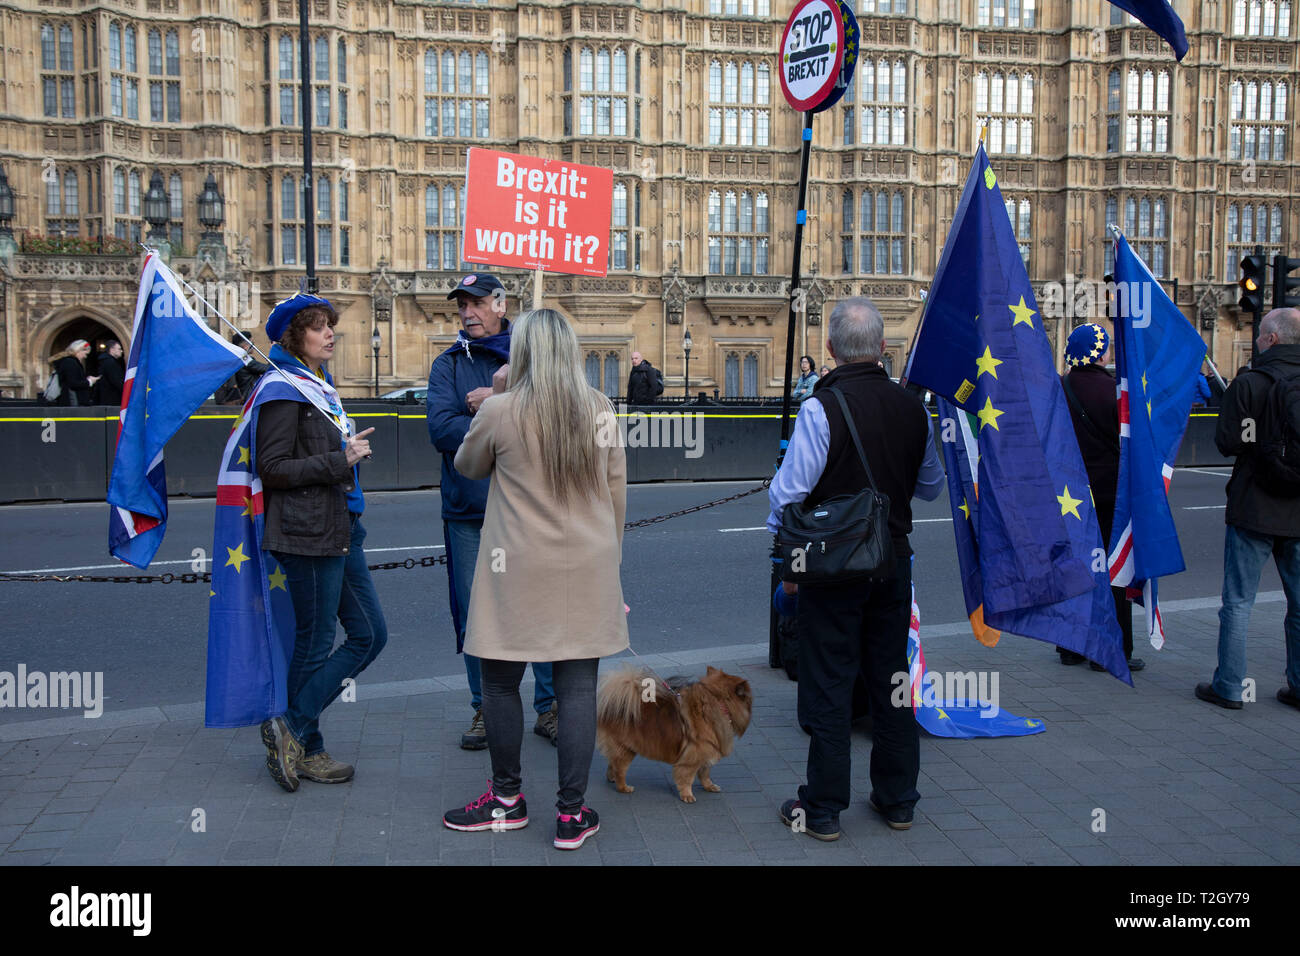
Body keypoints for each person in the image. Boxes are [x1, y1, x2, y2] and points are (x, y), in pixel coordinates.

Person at [442, 308, 627, 850]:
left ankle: (506, 800)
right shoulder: (598, 407)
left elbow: (467, 466)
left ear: (520, 355)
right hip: (588, 566)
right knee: (576, 692)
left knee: (500, 684)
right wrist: (610, 562)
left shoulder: (501, 409)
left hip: (515, 567)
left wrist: (499, 389)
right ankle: (572, 814)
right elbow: (617, 493)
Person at [767, 297, 944, 841]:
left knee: (829, 683)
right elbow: (932, 486)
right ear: (883, 349)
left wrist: (786, 556)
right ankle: (897, 801)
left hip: (834, 567)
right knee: (891, 679)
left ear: (830, 351)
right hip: (892, 562)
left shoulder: (823, 408)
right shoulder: (914, 408)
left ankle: (822, 809)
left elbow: (786, 495)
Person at [255, 294, 389, 790]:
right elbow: (271, 469)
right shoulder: (283, 389)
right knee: (314, 645)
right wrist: (341, 461)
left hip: (341, 527)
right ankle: (306, 747)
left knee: (370, 635)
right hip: (307, 533)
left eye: (330, 325)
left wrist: (345, 455)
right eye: (317, 327)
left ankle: (290, 727)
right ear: (295, 337)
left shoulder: (318, 386)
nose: (329, 332)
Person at [426, 272, 556, 750]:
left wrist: (495, 403)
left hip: (527, 509)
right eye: (461, 304)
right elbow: (441, 430)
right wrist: (499, 411)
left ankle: (550, 708)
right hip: (469, 513)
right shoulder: (447, 365)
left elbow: (551, 421)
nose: (467, 312)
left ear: (501, 304)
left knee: (538, 609)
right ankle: (484, 707)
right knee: (474, 615)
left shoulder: (534, 359)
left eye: (477, 303)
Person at [1197, 307, 1300, 712]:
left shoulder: (1250, 384)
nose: (1256, 340)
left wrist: (1255, 437)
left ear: (1272, 339)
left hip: (1254, 506)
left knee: (1239, 604)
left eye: (1260, 335)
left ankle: (1230, 686)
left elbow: (1231, 442)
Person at [1056, 323, 1145, 672]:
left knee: (1074, 565)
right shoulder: (1116, 393)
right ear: (1101, 353)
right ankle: (1113, 650)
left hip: (1069, 493)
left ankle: (1069, 646)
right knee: (1114, 570)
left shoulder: (1058, 389)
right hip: (1110, 493)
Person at [214, 340, 269, 405]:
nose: (254, 347)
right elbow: (265, 368)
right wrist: (274, 351)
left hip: (240, 398)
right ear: (246, 347)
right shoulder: (245, 360)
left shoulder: (238, 360)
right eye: (252, 344)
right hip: (247, 398)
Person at [48, 339, 98, 406]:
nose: (85, 357)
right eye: (86, 354)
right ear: (79, 350)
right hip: (73, 401)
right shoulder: (70, 363)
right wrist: (89, 382)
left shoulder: (69, 362)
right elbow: (73, 383)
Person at [92, 341, 125, 407]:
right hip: (112, 399)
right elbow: (116, 381)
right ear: (112, 350)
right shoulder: (110, 362)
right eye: (119, 349)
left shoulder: (106, 361)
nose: (121, 351)